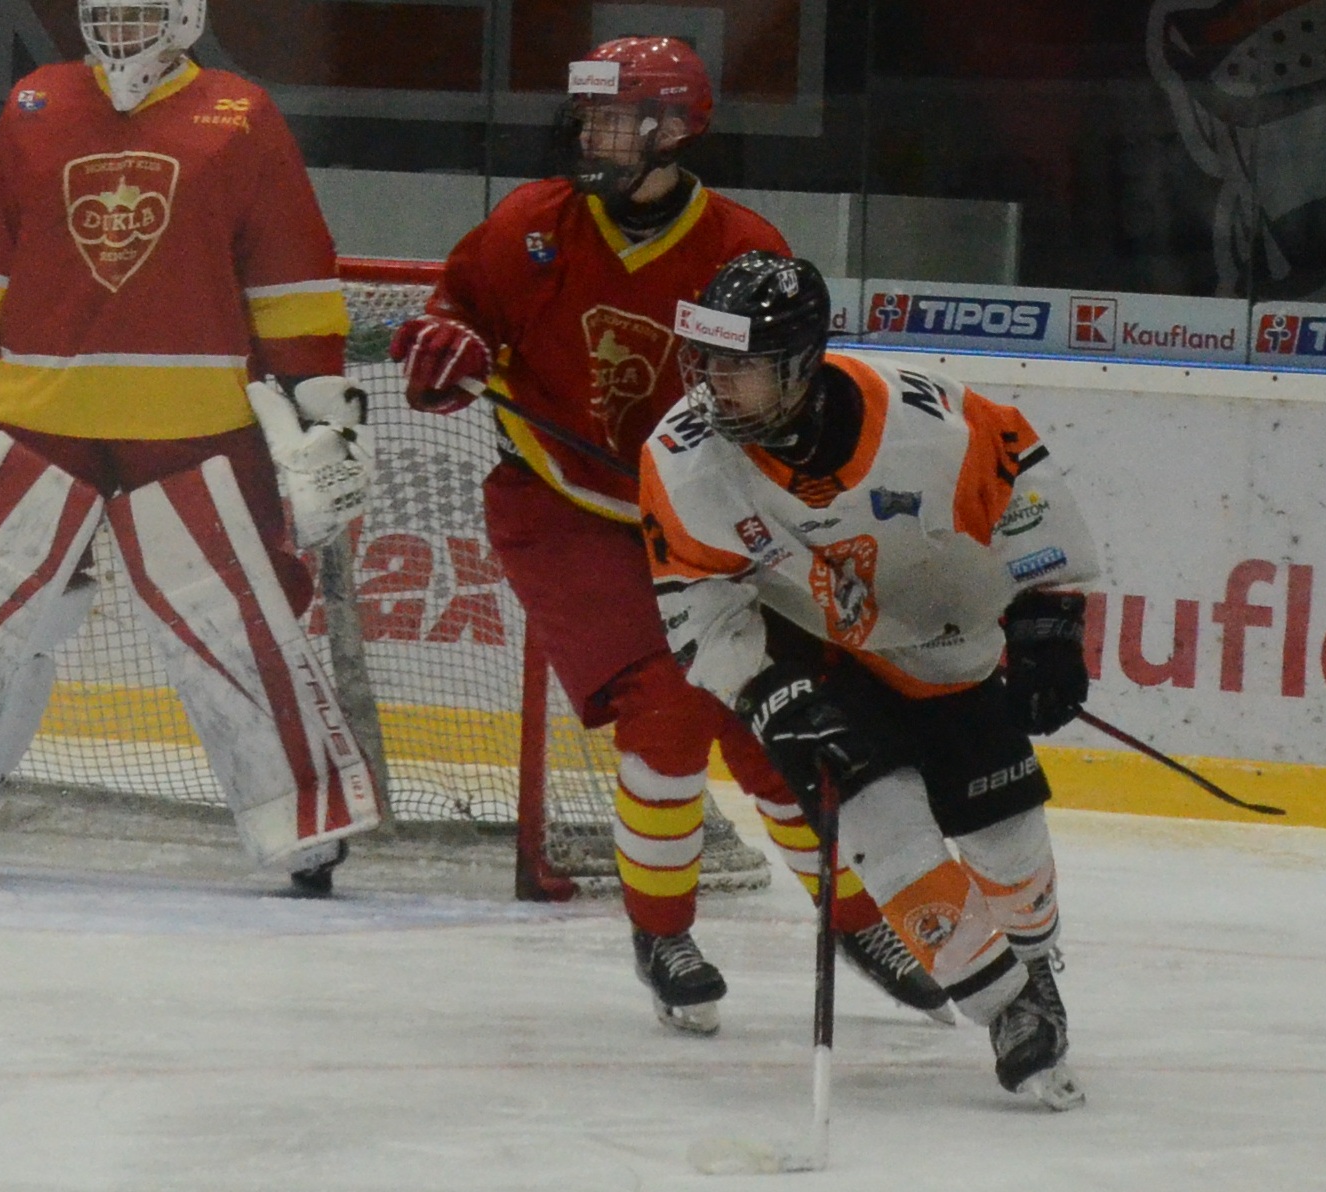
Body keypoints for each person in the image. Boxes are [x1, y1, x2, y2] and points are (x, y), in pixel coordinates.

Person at [389, 36, 947, 1033]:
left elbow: (785, 396)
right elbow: (459, 312)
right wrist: (448, 349)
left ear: (675, 130)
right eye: (588, 116)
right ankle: (662, 933)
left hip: (700, 514)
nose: (589, 135)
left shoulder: (740, 248)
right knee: (669, 702)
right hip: (563, 507)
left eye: (613, 119)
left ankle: (859, 920)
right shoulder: (531, 226)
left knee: (778, 726)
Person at [0, 0, 380, 893]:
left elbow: (288, 266)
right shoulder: (36, 103)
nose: (119, 27)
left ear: (184, 14)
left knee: (234, 621)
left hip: (195, 421)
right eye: (106, 9)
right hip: (37, 409)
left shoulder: (239, 114)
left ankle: (304, 820)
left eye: (139, 10)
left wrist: (321, 404)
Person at [638, 250, 1094, 1108]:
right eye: (708, 362)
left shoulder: (926, 423)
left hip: (945, 648)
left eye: (741, 367)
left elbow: (1023, 473)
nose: (715, 386)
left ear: (801, 365)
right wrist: (766, 691)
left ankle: (1035, 966)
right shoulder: (681, 458)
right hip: (823, 660)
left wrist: (1050, 614)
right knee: (884, 835)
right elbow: (699, 605)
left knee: (1008, 839)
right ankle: (1006, 1010)